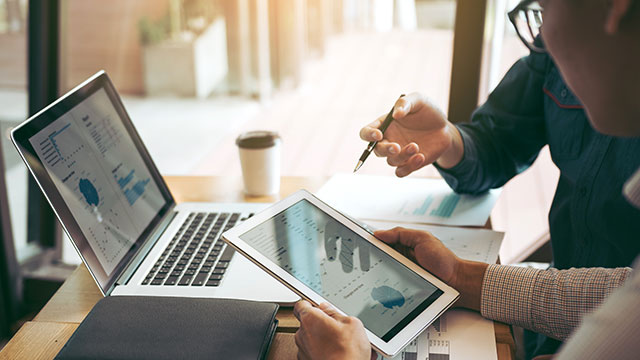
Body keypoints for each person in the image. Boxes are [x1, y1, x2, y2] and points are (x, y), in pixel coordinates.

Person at [293, 0, 640, 359]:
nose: (543, 36)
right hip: (548, 323)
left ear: (616, 9)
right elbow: (620, 288)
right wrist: (460, 277)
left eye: (544, 7)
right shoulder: (560, 55)